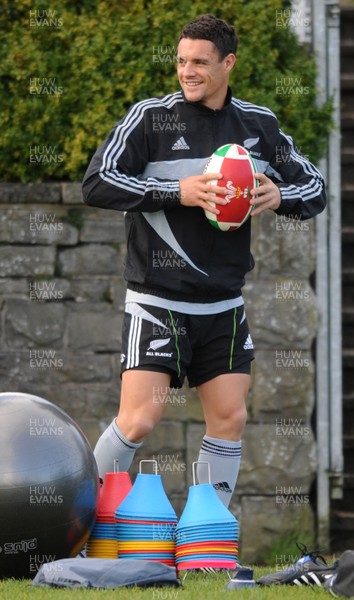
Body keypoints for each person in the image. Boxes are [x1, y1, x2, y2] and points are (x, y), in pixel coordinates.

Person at [82, 14, 326, 507]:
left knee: (229, 420)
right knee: (139, 421)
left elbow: (316, 188)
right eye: (181, 61)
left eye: (199, 62)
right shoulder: (150, 118)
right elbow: (98, 182)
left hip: (223, 306)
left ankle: (203, 538)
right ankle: (85, 528)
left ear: (228, 63)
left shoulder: (259, 125)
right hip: (157, 301)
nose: (186, 71)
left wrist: (281, 196)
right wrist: (179, 191)